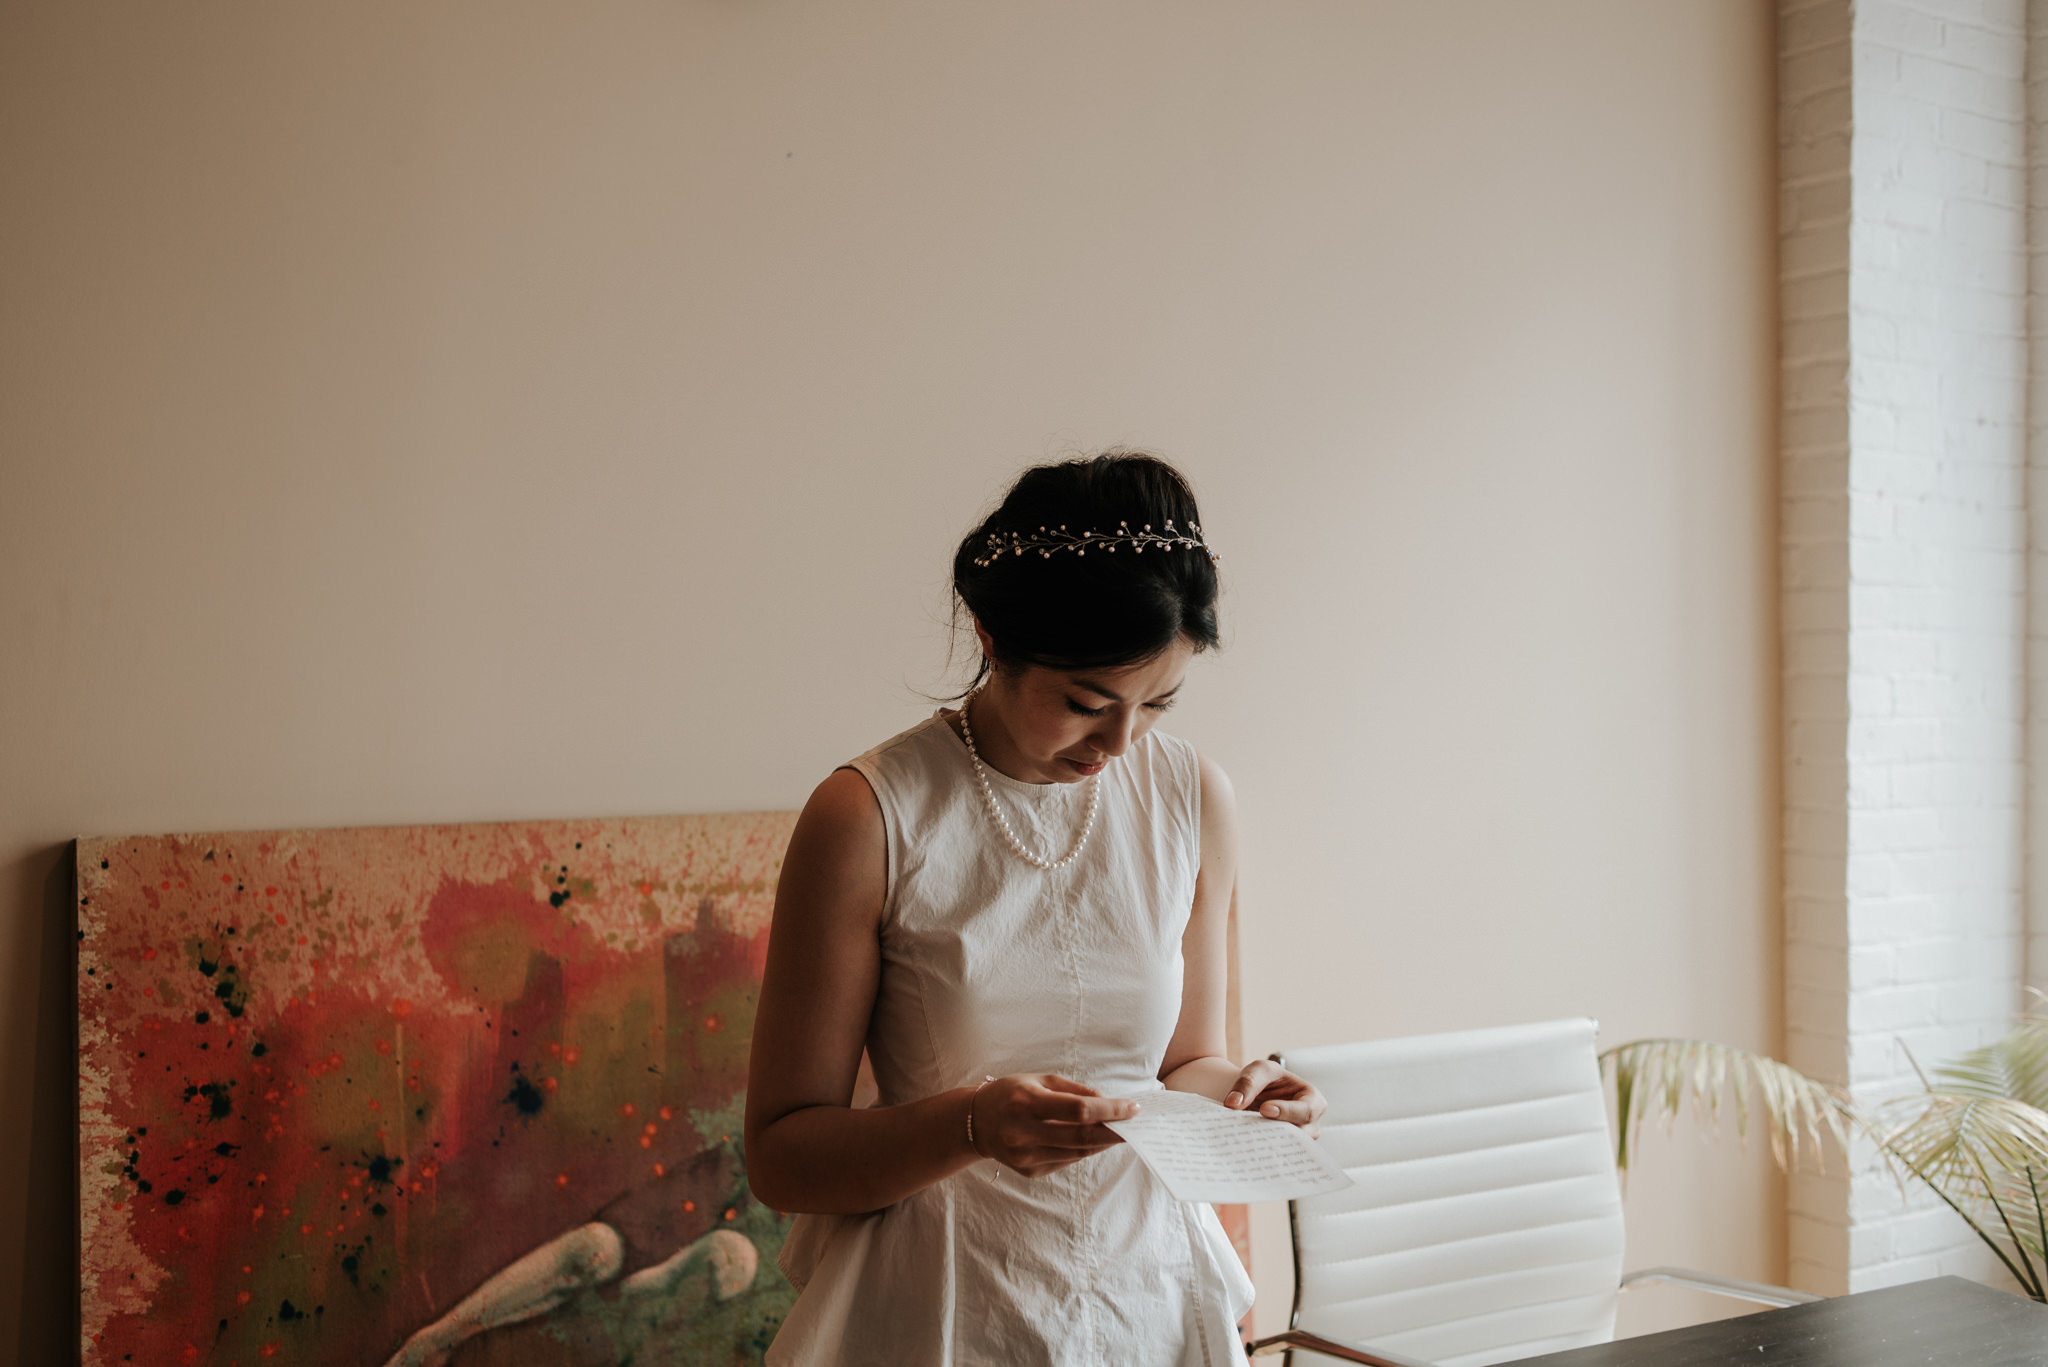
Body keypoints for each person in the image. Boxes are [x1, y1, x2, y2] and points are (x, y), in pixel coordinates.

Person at [745, 451, 1328, 1366]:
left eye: (1158, 702)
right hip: (944, 1303)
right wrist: (969, 1124)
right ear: (990, 635)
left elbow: (1184, 1067)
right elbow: (783, 1155)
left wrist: (1251, 1095)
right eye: (1086, 701)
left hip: (1151, 1292)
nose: (1122, 740)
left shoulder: (1192, 797)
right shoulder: (868, 816)